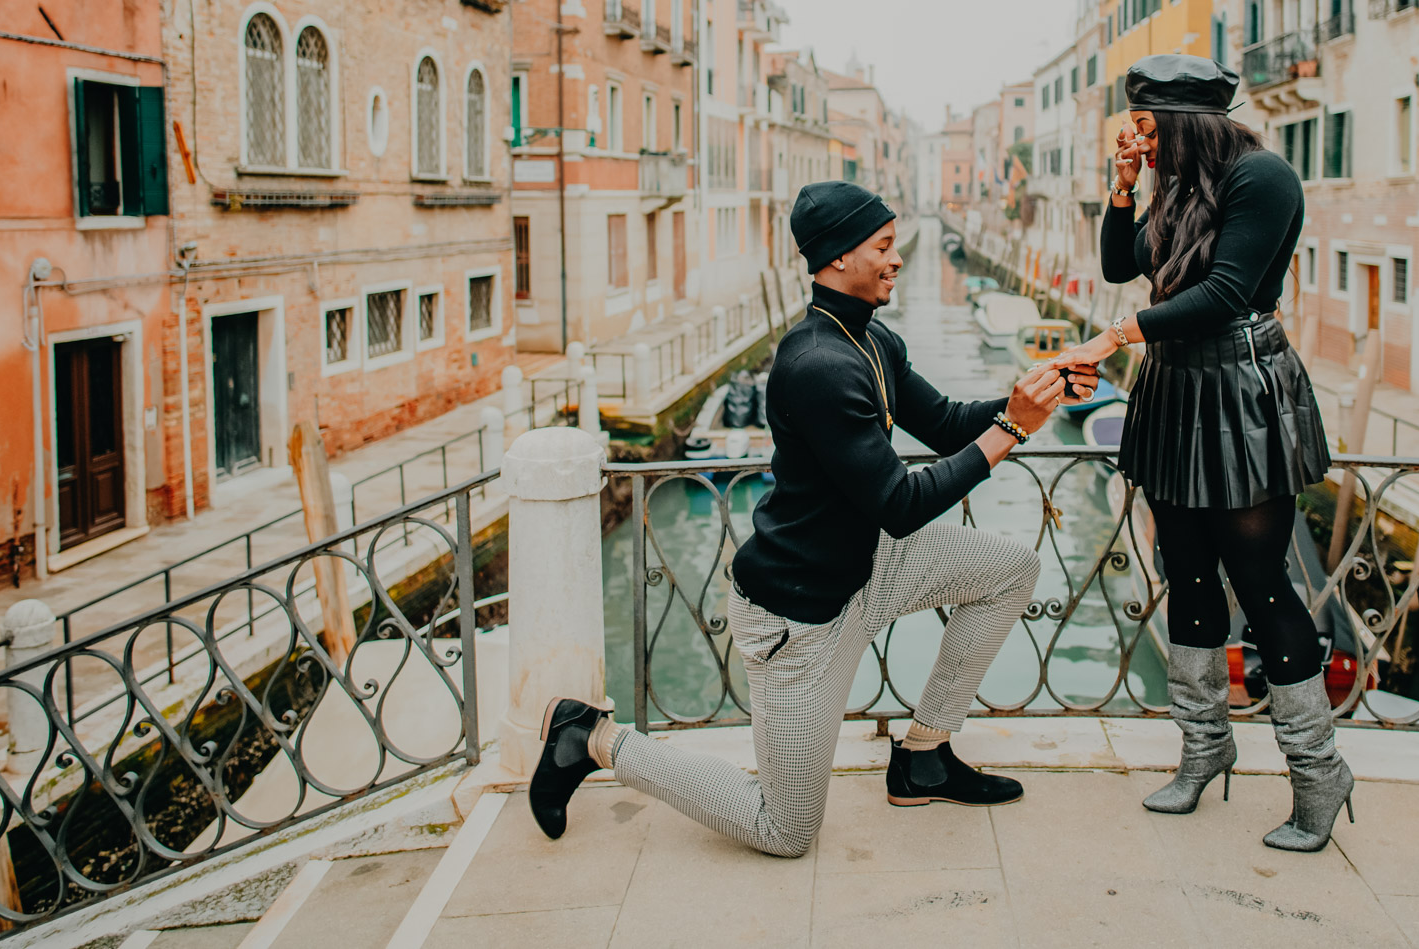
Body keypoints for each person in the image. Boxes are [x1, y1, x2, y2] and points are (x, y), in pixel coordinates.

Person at [528, 181, 1097, 857]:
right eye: (882, 247)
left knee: (1012, 570)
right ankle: (590, 738)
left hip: (869, 563)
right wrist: (1012, 427)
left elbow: (945, 424)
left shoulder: (870, 338)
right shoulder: (818, 364)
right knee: (787, 828)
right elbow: (900, 502)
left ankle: (925, 756)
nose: (895, 258)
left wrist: (1035, 390)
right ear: (835, 260)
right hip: (799, 616)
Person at [1053, 53, 1346, 852]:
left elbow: (1222, 292)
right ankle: (1203, 747)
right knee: (1183, 567)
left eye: (1147, 129)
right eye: (1134, 129)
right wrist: (1121, 187)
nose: (1139, 140)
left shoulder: (1265, 178)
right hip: (1176, 387)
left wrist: (1115, 334)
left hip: (1242, 391)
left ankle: (1319, 774)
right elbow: (1123, 264)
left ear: (1187, 122)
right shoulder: (1175, 184)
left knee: (1260, 580)